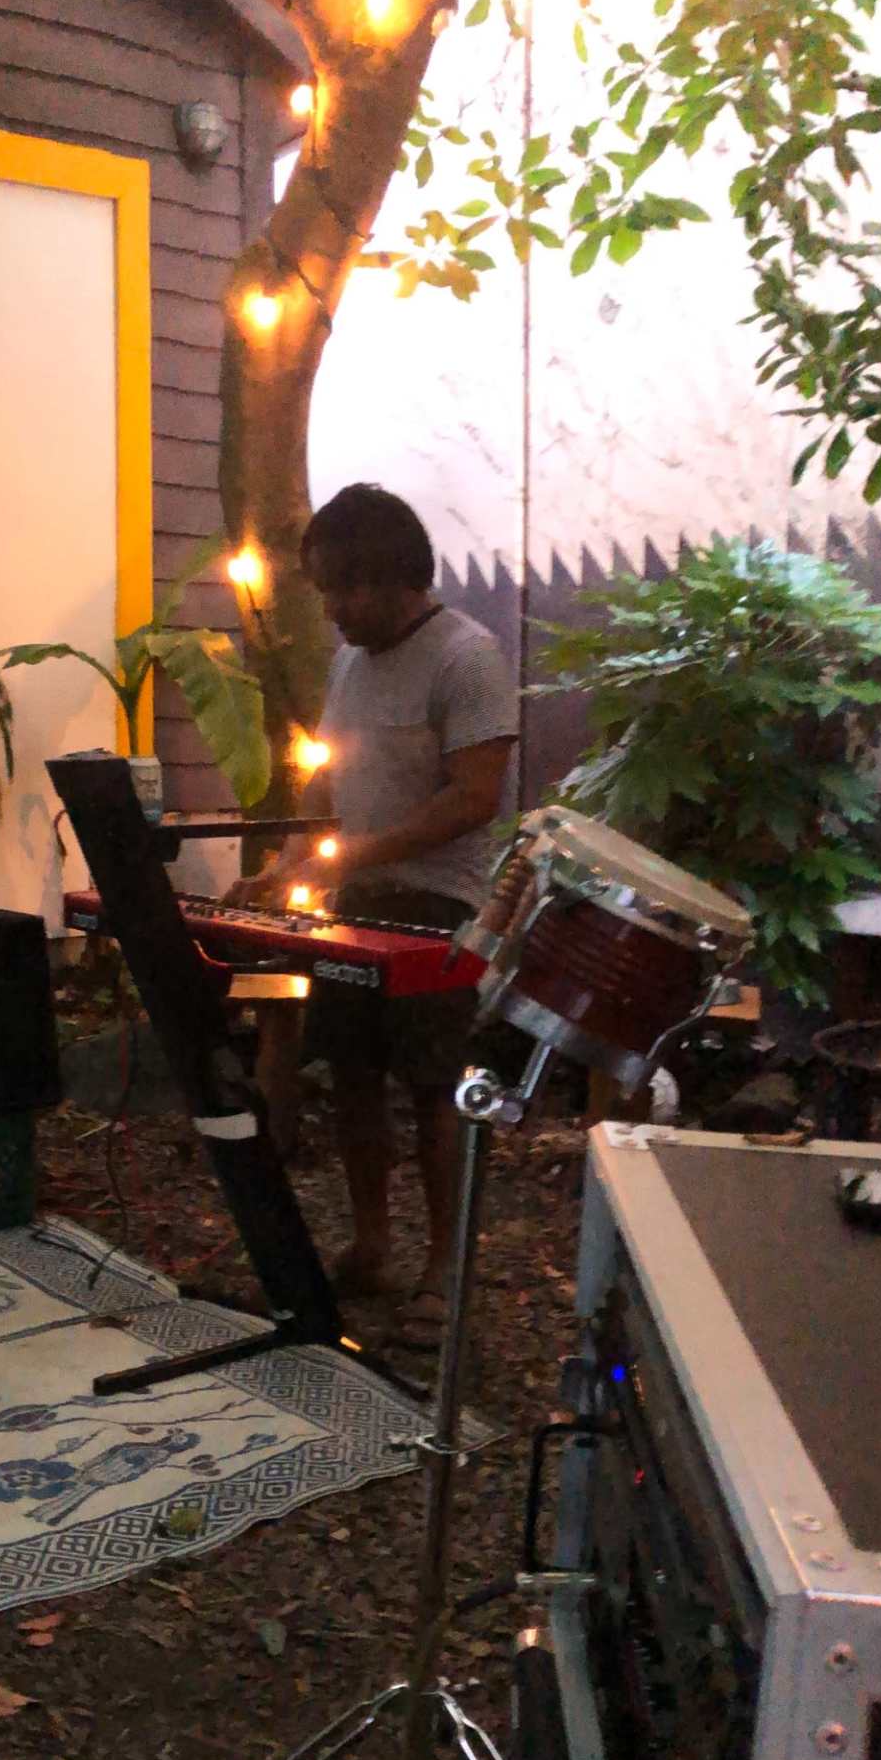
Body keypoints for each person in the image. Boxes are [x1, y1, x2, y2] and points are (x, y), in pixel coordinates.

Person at [226, 483, 520, 1305]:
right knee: (353, 1074)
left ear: (391, 577)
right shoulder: (349, 664)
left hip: (441, 913)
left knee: (433, 1090)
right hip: (357, 908)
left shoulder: (470, 658)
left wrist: (347, 856)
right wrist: (288, 868)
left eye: (340, 590)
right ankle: (373, 1244)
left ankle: (445, 1269)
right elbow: (327, 782)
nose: (331, 611)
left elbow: (473, 798)